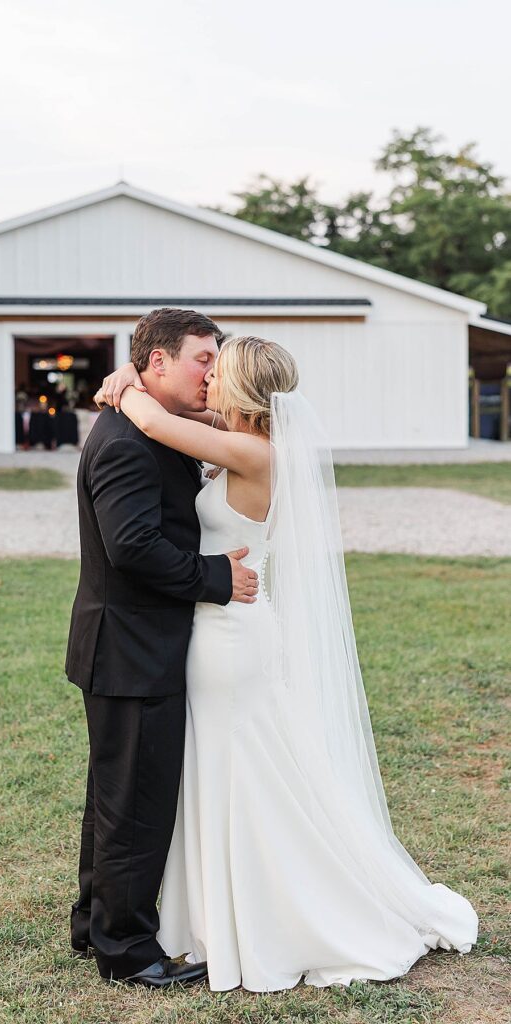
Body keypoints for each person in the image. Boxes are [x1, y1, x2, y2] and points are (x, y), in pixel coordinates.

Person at [95, 335, 478, 992]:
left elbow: (156, 421)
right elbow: (188, 422)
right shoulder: (246, 438)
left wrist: (122, 382)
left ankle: (268, 918)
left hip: (229, 636)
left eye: (219, 373)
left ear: (242, 389)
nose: (207, 381)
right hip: (233, 623)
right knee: (234, 772)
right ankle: (227, 915)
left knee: (238, 775)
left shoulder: (250, 451)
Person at [64, 309, 259, 988]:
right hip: (131, 647)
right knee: (135, 806)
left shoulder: (148, 421)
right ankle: (128, 953)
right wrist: (216, 578)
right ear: (157, 364)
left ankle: (95, 925)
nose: (214, 370)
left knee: (115, 798)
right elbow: (133, 547)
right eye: (202, 359)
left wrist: (126, 382)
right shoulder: (125, 441)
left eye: (217, 358)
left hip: (129, 644)